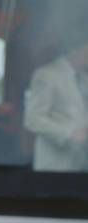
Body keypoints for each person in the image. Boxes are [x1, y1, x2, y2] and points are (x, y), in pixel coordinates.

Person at [25, 35, 88, 171]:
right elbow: (32, 119)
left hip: (80, 165)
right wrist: (69, 133)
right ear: (74, 50)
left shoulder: (84, 79)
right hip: (55, 167)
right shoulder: (46, 75)